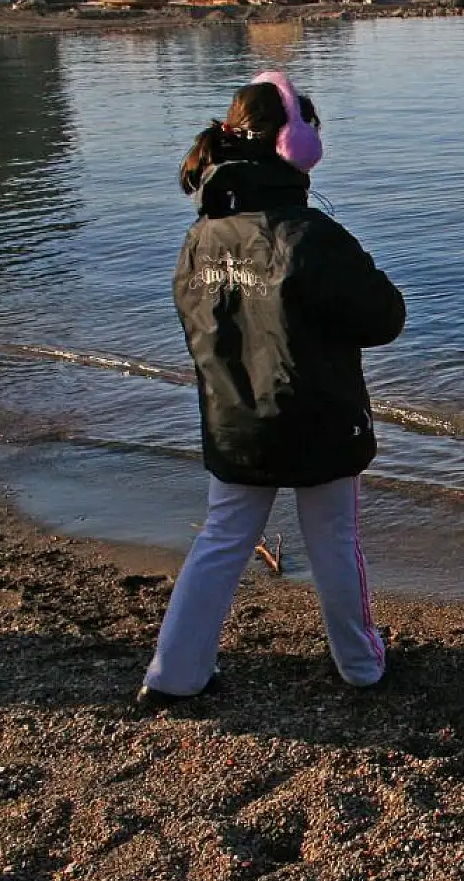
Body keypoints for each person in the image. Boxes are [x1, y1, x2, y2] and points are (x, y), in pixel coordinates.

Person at [138, 72, 406, 708]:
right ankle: (360, 666)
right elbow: (385, 317)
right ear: (298, 148)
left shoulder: (199, 239)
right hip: (319, 417)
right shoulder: (309, 237)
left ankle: (174, 674)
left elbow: (198, 325)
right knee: (334, 540)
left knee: (222, 537)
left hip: (234, 418)